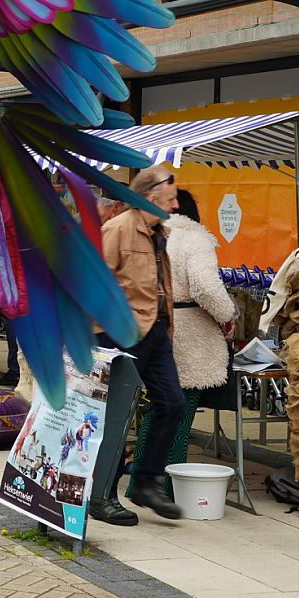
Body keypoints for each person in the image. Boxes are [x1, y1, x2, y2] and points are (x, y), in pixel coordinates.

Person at [128, 188, 235, 501]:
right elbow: (204, 286)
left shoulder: (153, 234)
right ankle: (166, 486)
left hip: (150, 327)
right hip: (189, 335)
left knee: (157, 410)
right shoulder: (195, 239)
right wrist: (228, 313)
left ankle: (140, 482)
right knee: (180, 414)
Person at [96, 165, 183, 522]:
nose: (176, 205)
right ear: (150, 197)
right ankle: (101, 496)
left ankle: (146, 483)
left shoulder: (158, 231)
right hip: (122, 333)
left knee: (172, 404)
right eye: (172, 198)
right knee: (117, 416)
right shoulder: (117, 229)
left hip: (157, 330)